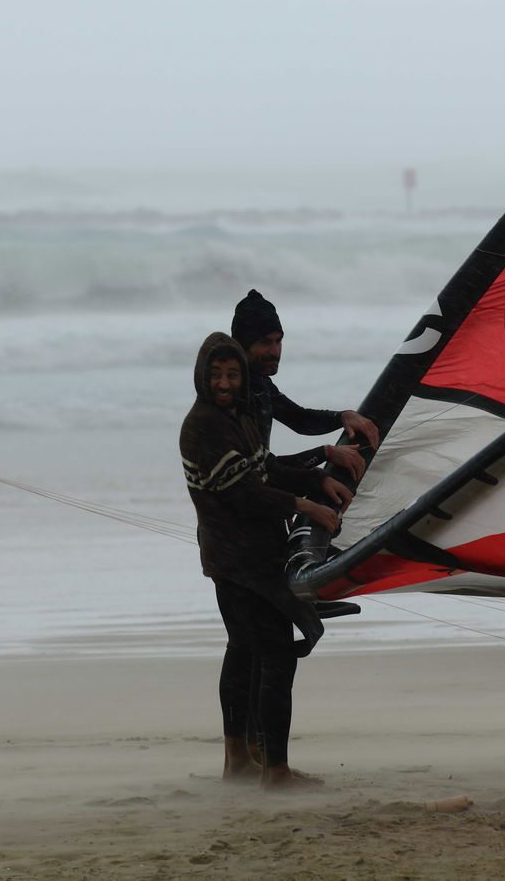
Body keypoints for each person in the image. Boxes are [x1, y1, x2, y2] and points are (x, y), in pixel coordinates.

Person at [180, 332, 352, 790]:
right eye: (215, 375)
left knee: (247, 650)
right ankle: (274, 771)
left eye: (232, 375)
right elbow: (242, 492)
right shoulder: (203, 426)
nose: (224, 382)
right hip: (238, 561)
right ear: (201, 377)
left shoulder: (239, 419)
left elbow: (266, 468)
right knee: (274, 654)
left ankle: (243, 761)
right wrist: (305, 505)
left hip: (243, 555)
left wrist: (319, 481)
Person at [230, 289, 380, 479]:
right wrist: (326, 454)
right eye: (265, 342)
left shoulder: (257, 382)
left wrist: (342, 417)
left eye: (278, 341)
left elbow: (298, 419)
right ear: (241, 345)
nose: (275, 351)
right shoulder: (235, 395)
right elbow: (261, 470)